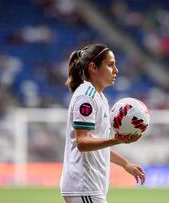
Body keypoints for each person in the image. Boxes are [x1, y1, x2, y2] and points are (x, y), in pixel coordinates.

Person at [60, 43, 146, 203]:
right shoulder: (86, 97)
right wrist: (116, 139)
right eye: (110, 65)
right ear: (93, 67)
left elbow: (98, 145)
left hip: (90, 188)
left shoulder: (99, 97)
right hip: (84, 186)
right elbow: (82, 142)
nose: (116, 70)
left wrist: (126, 164)